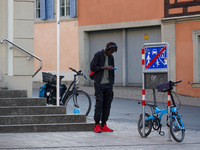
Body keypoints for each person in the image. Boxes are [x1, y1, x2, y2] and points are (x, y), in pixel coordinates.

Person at [90, 42, 118, 133]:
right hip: (99, 84)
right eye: (110, 51)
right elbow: (93, 67)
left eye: (113, 52)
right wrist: (104, 67)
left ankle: (104, 124)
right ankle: (96, 125)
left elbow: (112, 69)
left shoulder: (111, 57)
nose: (111, 53)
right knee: (99, 104)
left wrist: (112, 82)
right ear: (106, 49)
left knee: (107, 105)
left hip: (108, 85)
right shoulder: (98, 55)